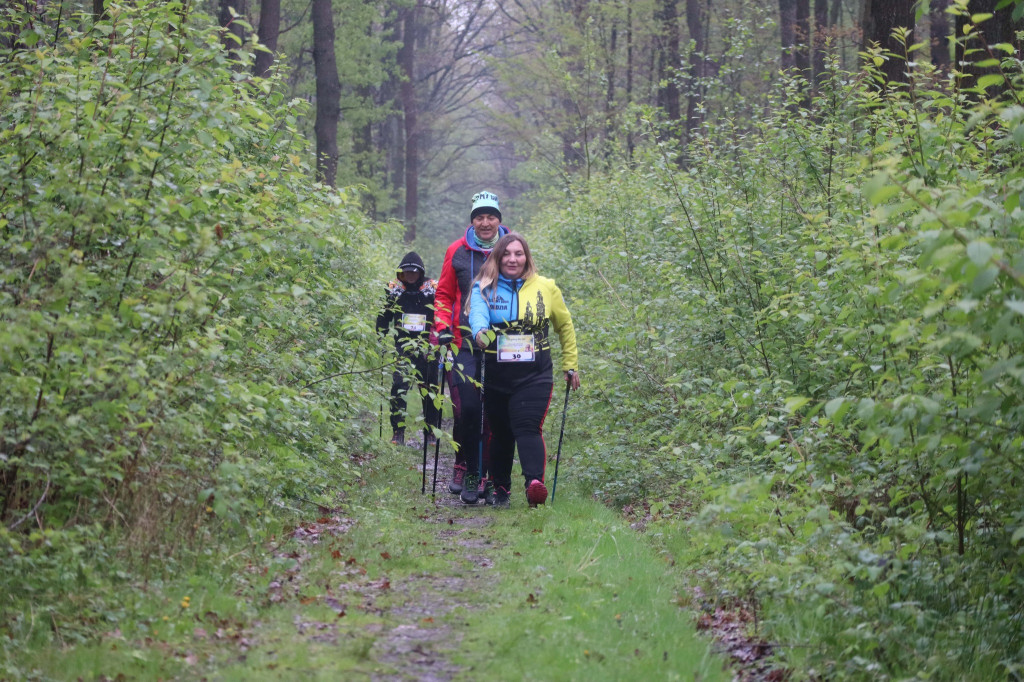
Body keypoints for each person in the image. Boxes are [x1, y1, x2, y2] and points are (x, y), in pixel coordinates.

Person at [468, 233, 580, 508]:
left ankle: (534, 484)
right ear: (497, 258)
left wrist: (570, 365)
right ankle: (501, 488)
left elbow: (564, 325)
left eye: (518, 254)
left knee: (528, 426)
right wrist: (480, 332)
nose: (512, 259)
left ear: (527, 257)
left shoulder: (546, 287)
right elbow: (478, 315)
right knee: (501, 432)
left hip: (535, 373)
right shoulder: (483, 286)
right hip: (496, 373)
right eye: (506, 254)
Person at [433, 191, 509, 503]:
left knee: (493, 413)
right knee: (467, 408)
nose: (485, 222)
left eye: (491, 216)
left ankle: (487, 476)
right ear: (473, 220)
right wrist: (441, 328)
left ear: (499, 220)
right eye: (480, 217)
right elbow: (442, 294)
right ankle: (465, 466)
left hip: (502, 343)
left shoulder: (512, 250)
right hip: (462, 341)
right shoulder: (457, 250)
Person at [376, 251, 439, 446]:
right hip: (403, 346)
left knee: (429, 389)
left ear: (421, 272)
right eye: (407, 272)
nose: (410, 275)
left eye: (414, 272)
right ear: (401, 272)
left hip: (427, 346)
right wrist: (380, 334)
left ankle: (430, 431)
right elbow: (385, 314)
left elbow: (441, 312)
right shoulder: (394, 289)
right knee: (399, 387)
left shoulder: (431, 289)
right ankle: (398, 431)